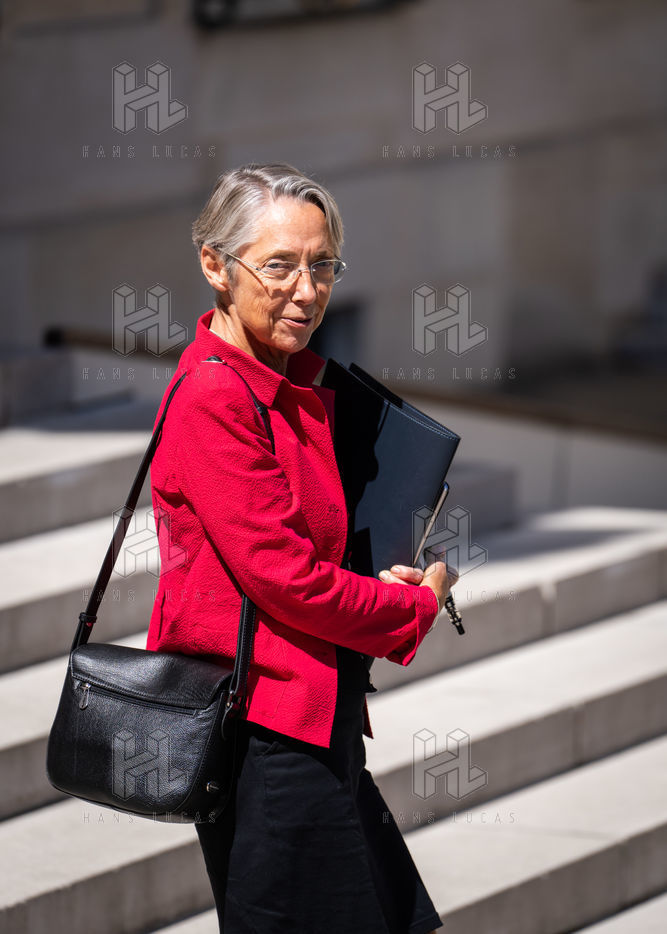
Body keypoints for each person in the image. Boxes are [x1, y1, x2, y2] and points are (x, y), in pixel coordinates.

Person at [146, 162, 457, 933]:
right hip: (267, 738)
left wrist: (381, 569)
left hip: (313, 722)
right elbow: (288, 580)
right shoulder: (217, 396)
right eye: (279, 265)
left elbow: (309, 554)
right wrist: (411, 607)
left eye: (322, 266)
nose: (307, 291)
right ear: (214, 264)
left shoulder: (285, 387)